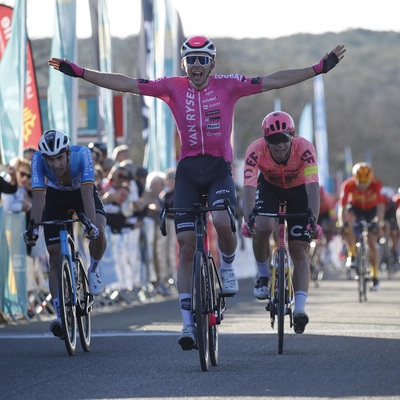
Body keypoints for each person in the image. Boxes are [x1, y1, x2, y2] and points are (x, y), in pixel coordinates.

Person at [48, 36, 346, 349]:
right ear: (184, 63)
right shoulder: (171, 87)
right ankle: (188, 324)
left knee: (220, 221)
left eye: (203, 59)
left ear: (213, 64)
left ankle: (227, 265)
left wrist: (317, 69)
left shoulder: (229, 85)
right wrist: (80, 72)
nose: (197, 66)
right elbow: (125, 84)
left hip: (218, 170)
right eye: (191, 60)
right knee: (186, 244)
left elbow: (274, 80)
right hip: (188, 172)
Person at [241, 111, 322, 334]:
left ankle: (300, 309)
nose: (278, 146)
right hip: (269, 188)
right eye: (273, 141)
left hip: (299, 191)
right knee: (262, 226)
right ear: (265, 140)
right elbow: (248, 187)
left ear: (292, 137)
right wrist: (248, 218)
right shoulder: (255, 149)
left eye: (283, 140)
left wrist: (312, 220)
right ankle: (263, 275)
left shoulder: (305, 147)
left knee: (299, 249)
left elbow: (313, 187)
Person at [23, 130, 107, 338]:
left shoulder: (83, 155)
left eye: (59, 158)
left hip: (81, 194)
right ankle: (61, 315)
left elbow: (87, 194)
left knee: (100, 231)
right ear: (45, 158)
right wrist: (33, 227)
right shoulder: (37, 160)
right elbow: (39, 199)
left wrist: (91, 226)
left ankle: (94, 269)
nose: (56, 165)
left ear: (68, 154)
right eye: (51, 160)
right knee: (54, 255)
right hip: (56, 197)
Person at [337, 162, 385, 291]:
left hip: (371, 210)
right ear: (355, 179)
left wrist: (377, 222)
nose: (363, 186)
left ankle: (375, 276)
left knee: (371, 241)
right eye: (360, 183)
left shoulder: (376, 184)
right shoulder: (348, 185)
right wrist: (343, 223)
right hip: (356, 208)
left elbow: (380, 207)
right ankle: (352, 254)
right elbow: (342, 207)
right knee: (348, 223)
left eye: (366, 183)